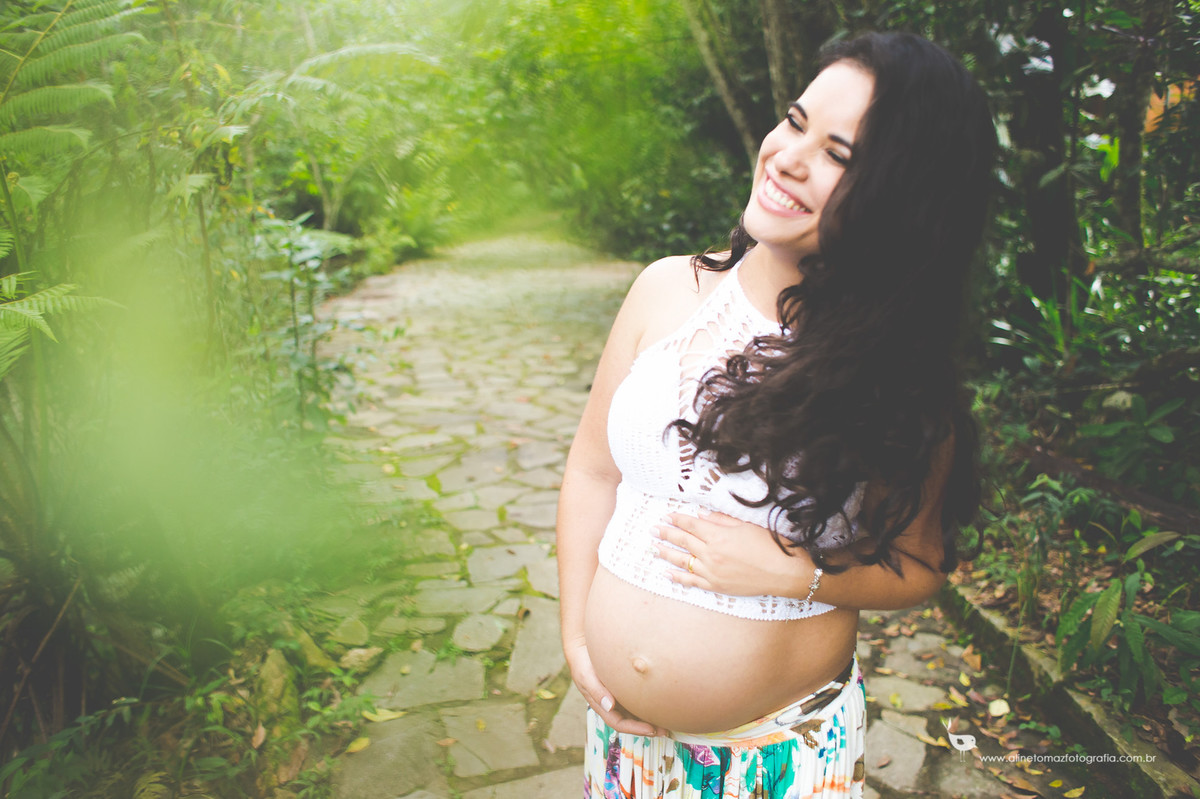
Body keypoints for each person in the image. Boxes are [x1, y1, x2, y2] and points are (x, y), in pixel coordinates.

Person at [556, 31, 996, 799]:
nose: (788, 157)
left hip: (781, 762)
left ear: (902, 196)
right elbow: (592, 469)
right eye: (794, 122)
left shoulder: (895, 376)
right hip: (626, 747)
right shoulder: (665, 289)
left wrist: (799, 572)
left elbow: (923, 565)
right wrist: (574, 637)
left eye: (840, 155)